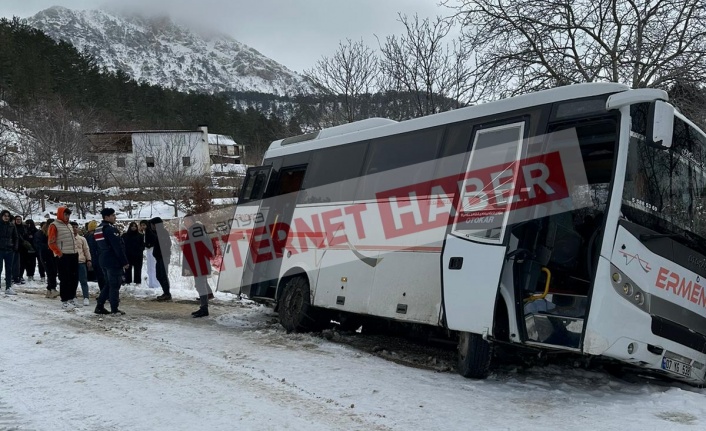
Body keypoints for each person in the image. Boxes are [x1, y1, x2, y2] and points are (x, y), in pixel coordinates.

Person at [94, 208, 129, 315]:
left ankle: (100, 306)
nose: (115, 217)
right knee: (115, 285)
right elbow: (117, 247)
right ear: (107, 217)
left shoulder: (99, 228)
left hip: (103, 259)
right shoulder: (110, 229)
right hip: (113, 261)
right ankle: (114, 308)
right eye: (113, 215)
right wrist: (124, 262)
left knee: (108, 284)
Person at [48, 206, 80, 309]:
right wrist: (59, 253)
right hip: (63, 255)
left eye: (68, 215)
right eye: (65, 214)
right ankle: (65, 300)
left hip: (73, 254)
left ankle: (71, 297)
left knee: (74, 278)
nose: (67, 217)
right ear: (61, 214)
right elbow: (51, 242)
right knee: (65, 278)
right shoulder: (54, 225)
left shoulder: (69, 225)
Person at [182, 215, 214, 317]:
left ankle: (204, 309)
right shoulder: (197, 230)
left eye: (186, 221)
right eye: (184, 221)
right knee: (201, 284)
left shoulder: (195, 231)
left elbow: (193, 249)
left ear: (191, 221)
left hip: (199, 263)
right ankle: (203, 307)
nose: (185, 223)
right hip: (200, 262)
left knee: (200, 285)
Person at [147, 217, 172, 301]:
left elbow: (167, 244)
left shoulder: (163, 232)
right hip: (159, 257)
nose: (151, 226)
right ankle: (165, 292)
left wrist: (161, 254)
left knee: (163, 276)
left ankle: (167, 293)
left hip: (163, 257)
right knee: (159, 276)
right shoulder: (158, 232)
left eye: (152, 225)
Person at [71, 221, 92, 306]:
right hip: (71, 262)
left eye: (76, 227)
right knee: (73, 281)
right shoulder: (68, 239)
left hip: (81, 262)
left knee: (83, 280)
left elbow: (86, 250)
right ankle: (73, 297)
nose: (75, 229)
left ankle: (86, 297)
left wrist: (89, 260)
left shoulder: (82, 239)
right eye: (73, 227)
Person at [36, 220, 58, 298]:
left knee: (54, 272)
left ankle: (49, 290)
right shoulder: (41, 233)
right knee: (50, 272)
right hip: (45, 254)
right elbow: (38, 244)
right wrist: (48, 246)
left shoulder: (54, 232)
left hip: (54, 254)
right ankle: (52, 288)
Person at [0, 210, 18, 295]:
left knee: (9, 269)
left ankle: (8, 287)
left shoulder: (12, 225)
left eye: (8, 216)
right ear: (2, 216)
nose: (6, 217)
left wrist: (15, 247)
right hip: (0, 250)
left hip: (10, 250)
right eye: (5, 215)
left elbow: (16, 237)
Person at [85, 220, 105, 291]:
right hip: (98, 259)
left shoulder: (90, 237)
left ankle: (104, 293)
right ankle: (104, 293)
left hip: (97, 260)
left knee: (101, 278)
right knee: (102, 278)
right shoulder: (99, 236)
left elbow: (92, 249)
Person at [141, 220, 159, 289]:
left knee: (152, 267)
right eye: (141, 225)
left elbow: (152, 241)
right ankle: (151, 283)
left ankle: (155, 283)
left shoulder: (149, 232)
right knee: (149, 268)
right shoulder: (145, 232)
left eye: (144, 225)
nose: (143, 227)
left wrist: (147, 244)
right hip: (149, 250)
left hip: (152, 250)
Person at [12, 215, 27, 285]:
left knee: (22, 263)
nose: (18, 221)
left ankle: (20, 276)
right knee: (14, 264)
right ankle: (13, 276)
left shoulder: (24, 228)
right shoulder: (12, 227)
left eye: (20, 219)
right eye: (17, 219)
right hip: (15, 248)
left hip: (23, 248)